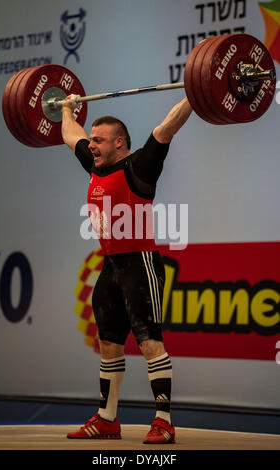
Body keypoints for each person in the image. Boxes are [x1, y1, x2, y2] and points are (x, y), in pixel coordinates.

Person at [61, 94, 192, 444]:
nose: (91, 145)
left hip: (141, 263)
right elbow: (69, 134)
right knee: (108, 344)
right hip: (111, 267)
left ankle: (163, 421)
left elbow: (169, 125)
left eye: (98, 140)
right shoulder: (94, 164)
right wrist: (64, 109)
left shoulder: (140, 166)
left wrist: (196, 91)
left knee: (150, 343)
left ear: (119, 142)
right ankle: (107, 419)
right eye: (91, 140)